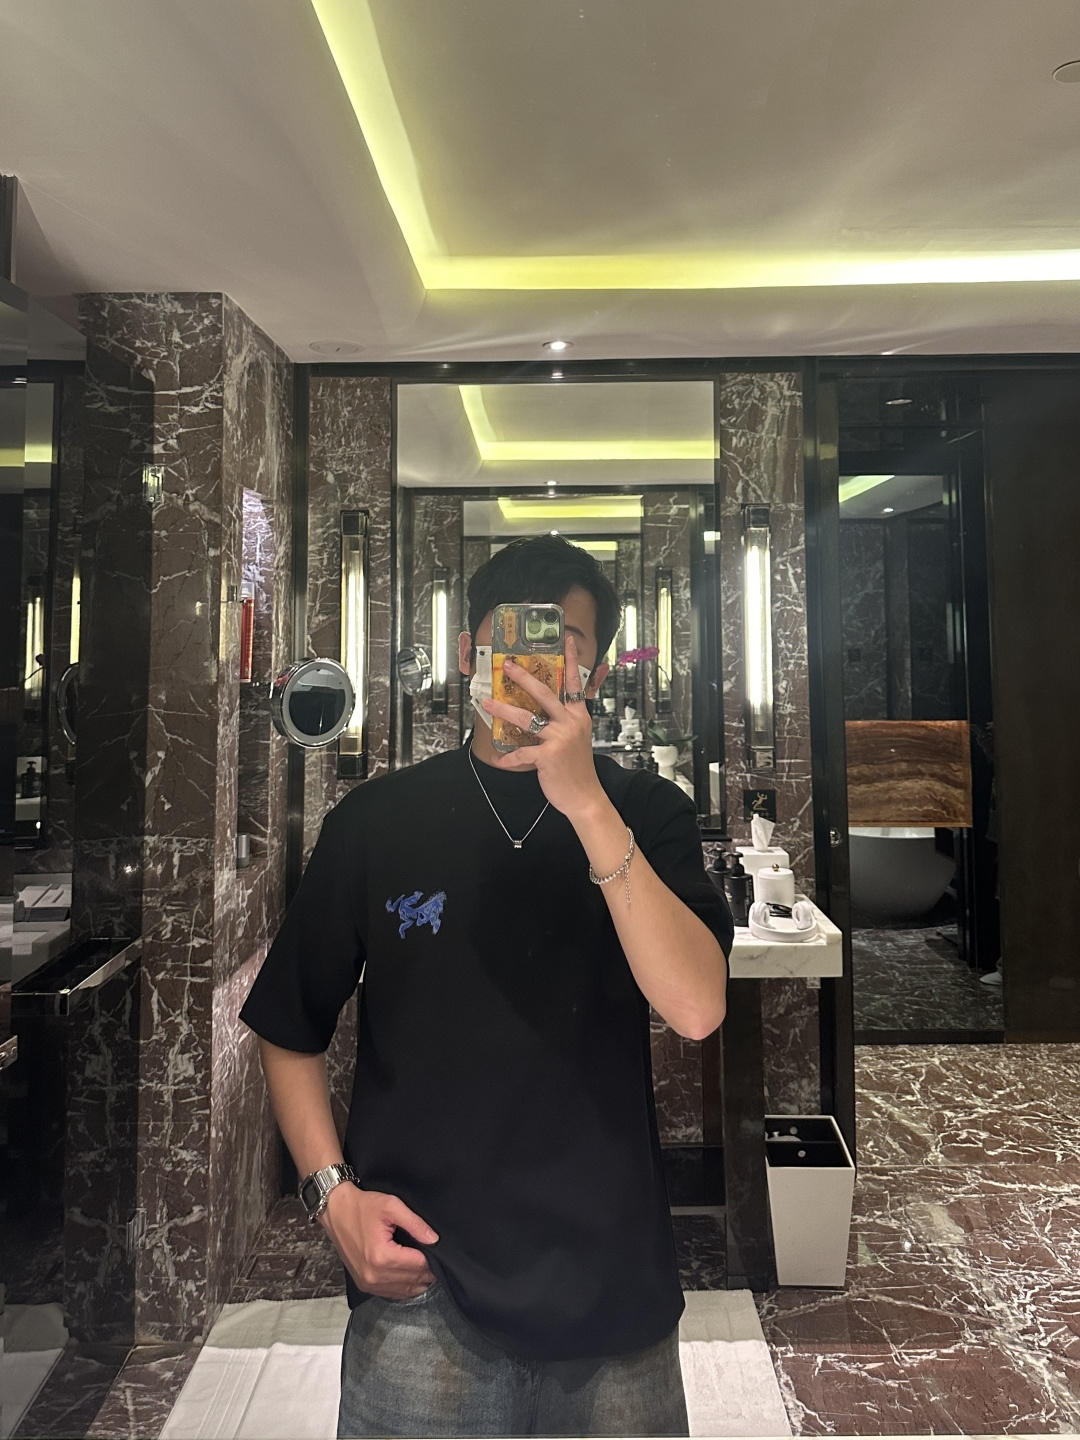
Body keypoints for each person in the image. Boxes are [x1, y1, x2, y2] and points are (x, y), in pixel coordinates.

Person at [240, 535, 733, 1438]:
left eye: (566, 647)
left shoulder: (647, 811)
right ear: (471, 653)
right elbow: (288, 1024)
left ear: (598, 673)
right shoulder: (376, 821)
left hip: (611, 1286)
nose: (539, 668)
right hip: (421, 1289)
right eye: (518, 642)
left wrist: (587, 804)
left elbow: (697, 1008)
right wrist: (331, 1197)